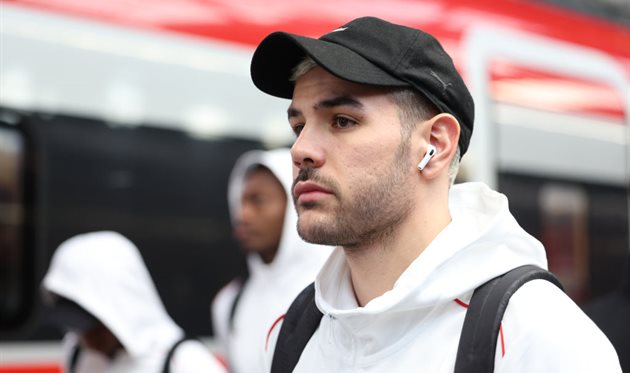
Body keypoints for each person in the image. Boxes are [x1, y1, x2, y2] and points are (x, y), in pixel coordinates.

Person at [248, 16, 622, 372]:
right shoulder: (294, 332)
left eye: (342, 121)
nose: (300, 150)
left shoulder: (537, 338)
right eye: (299, 125)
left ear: (435, 145)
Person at [211, 148, 332, 373]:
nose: (242, 215)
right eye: (240, 202)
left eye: (258, 201)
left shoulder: (337, 292)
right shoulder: (229, 302)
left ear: (296, 204)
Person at [41, 231, 227, 373]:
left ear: (123, 308)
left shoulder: (187, 363)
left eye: (95, 325)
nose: (87, 337)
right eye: (76, 326)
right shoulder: (76, 353)